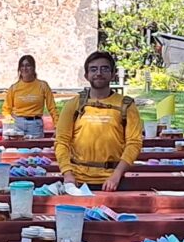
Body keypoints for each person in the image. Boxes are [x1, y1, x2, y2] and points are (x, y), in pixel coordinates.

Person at [55, 50, 143, 189]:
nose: (99, 73)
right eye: (93, 69)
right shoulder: (74, 104)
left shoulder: (126, 105)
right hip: (77, 180)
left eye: (105, 69)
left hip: (113, 181)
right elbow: (61, 141)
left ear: (113, 74)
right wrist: (67, 174)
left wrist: (117, 175)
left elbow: (134, 143)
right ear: (86, 75)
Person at [2, 55, 55, 139]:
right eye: (22, 66)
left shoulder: (43, 86)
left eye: (28, 65)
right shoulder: (14, 88)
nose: (25, 68)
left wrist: (57, 126)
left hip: (35, 126)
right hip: (17, 125)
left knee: (36, 147)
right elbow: (6, 109)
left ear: (33, 67)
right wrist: (9, 121)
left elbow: (52, 108)